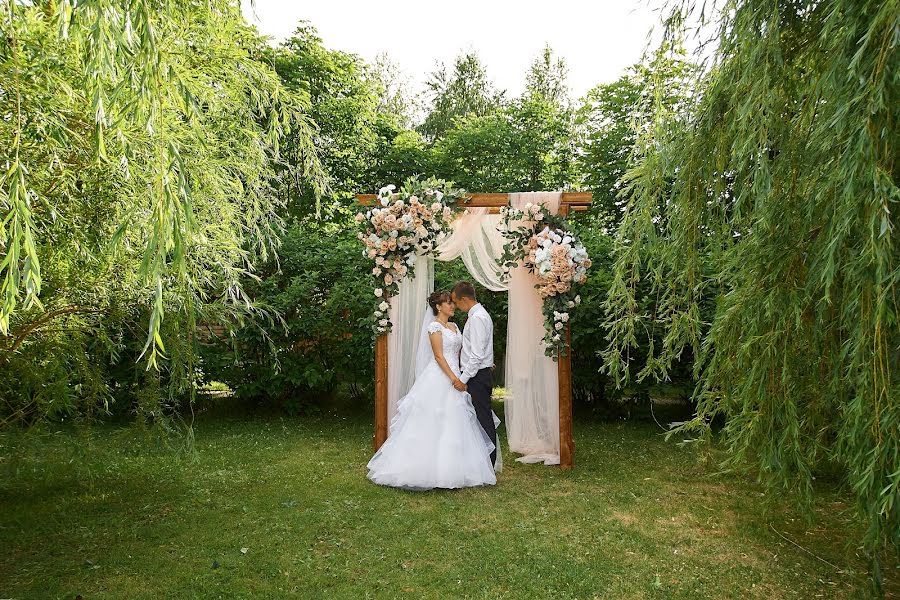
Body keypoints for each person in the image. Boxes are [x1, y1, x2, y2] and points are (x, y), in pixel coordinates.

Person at [366, 290, 496, 490]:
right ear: (438, 307)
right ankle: (427, 468)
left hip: (459, 374)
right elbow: (439, 357)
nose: (452, 306)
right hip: (442, 376)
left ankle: (459, 467)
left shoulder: (454, 326)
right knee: (434, 419)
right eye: (448, 303)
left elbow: (464, 350)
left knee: (458, 420)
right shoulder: (434, 327)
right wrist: (455, 379)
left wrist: (478, 365)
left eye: (453, 303)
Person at [450, 281, 498, 467]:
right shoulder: (478, 315)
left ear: (464, 299)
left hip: (477, 376)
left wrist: (463, 379)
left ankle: (489, 463)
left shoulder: (477, 318)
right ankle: (481, 462)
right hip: (478, 373)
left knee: (483, 419)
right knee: (477, 418)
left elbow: (477, 355)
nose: (455, 306)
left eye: (455, 301)